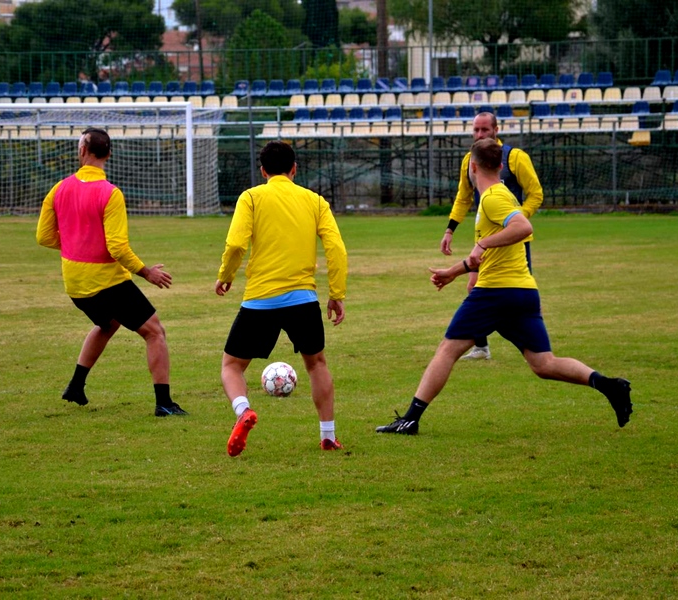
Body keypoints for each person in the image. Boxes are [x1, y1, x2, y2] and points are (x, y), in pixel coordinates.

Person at [376, 138, 632, 436]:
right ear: (500, 165)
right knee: (543, 364)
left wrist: (483, 242)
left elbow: (523, 227)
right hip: (522, 291)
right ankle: (609, 386)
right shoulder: (505, 194)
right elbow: (494, 253)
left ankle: (410, 420)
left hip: (495, 293)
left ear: (472, 167)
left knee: (447, 351)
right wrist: (454, 272)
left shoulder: (493, 198)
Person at [36, 127, 187, 417]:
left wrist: (77, 244)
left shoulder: (59, 189)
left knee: (108, 324)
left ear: (82, 151)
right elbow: (117, 247)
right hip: (105, 281)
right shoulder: (110, 193)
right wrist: (146, 272)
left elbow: (43, 237)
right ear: (109, 154)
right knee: (155, 332)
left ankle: (76, 386)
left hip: (75, 283)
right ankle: (164, 404)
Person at [215, 141, 348, 457]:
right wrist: (336, 293)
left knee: (232, 366)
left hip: (261, 299)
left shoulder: (251, 197)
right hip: (303, 299)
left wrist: (226, 274)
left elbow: (236, 245)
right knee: (316, 364)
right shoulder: (315, 201)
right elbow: (336, 249)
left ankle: (244, 411)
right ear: (294, 169)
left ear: (263, 171)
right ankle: (328, 436)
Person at [439, 111, 543, 361]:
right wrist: (450, 229)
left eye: (485, 129)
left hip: (513, 239)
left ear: (496, 130)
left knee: (518, 290)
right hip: (484, 238)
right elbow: (463, 197)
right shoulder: (469, 161)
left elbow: (536, 193)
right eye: (476, 129)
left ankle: (537, 345)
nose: (480, 134)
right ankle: (481, 347)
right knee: (474, 285)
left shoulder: (515, 157)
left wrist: (516, 217)